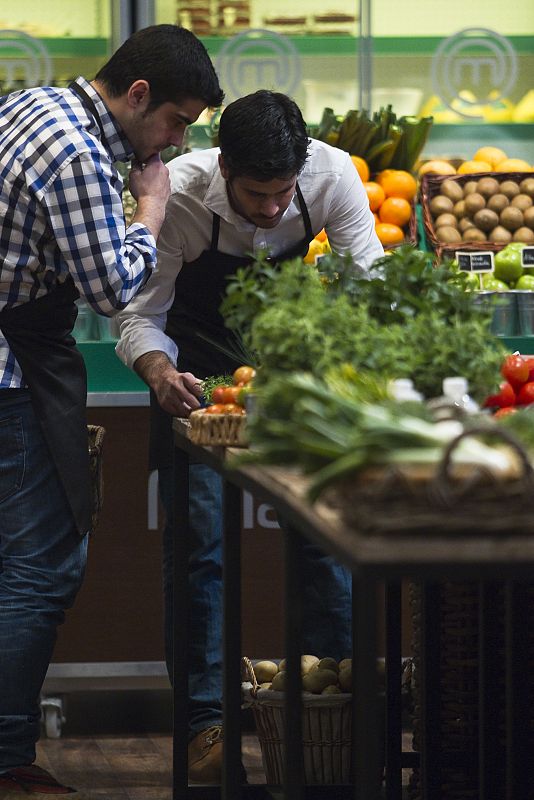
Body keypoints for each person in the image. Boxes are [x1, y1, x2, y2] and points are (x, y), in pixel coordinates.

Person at [116, 89, 384, 785]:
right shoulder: (180, 195)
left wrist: (343, 368)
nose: (270, 209)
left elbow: (369, 290)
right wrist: (159, 372)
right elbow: (141, 313)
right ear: (225, 166)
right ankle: (204, 729)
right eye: (255, 194)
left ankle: (335, 721)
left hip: (292, 370)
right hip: (194, 378)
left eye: (281, 194)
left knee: (324, 540)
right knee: (198, 549)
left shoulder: (332, 175)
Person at [0, 24, 223, 794]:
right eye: (176, 122)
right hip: (13, 374)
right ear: (138, 95)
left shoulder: (33, 104)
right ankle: (8, 761)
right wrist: (152, 207)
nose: (178, 141)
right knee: (39, 567)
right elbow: (111, 289)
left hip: (17, 361)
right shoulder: (80, 155)